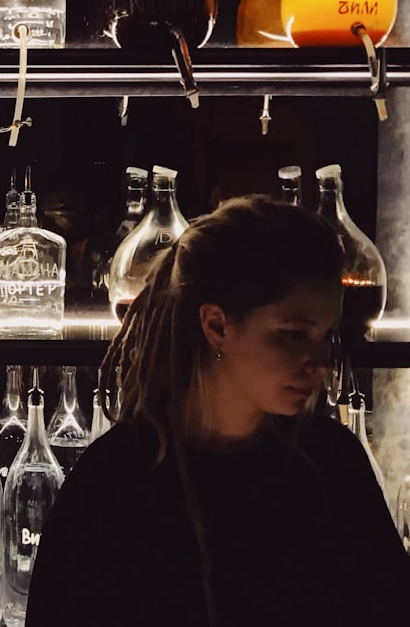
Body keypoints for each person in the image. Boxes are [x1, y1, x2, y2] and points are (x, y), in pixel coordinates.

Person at [25, 194, 409, 627]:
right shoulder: (112, 486)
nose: (319, 362)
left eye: (326, 335)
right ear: (216, 325)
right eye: (295, 334)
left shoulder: (333, 465)